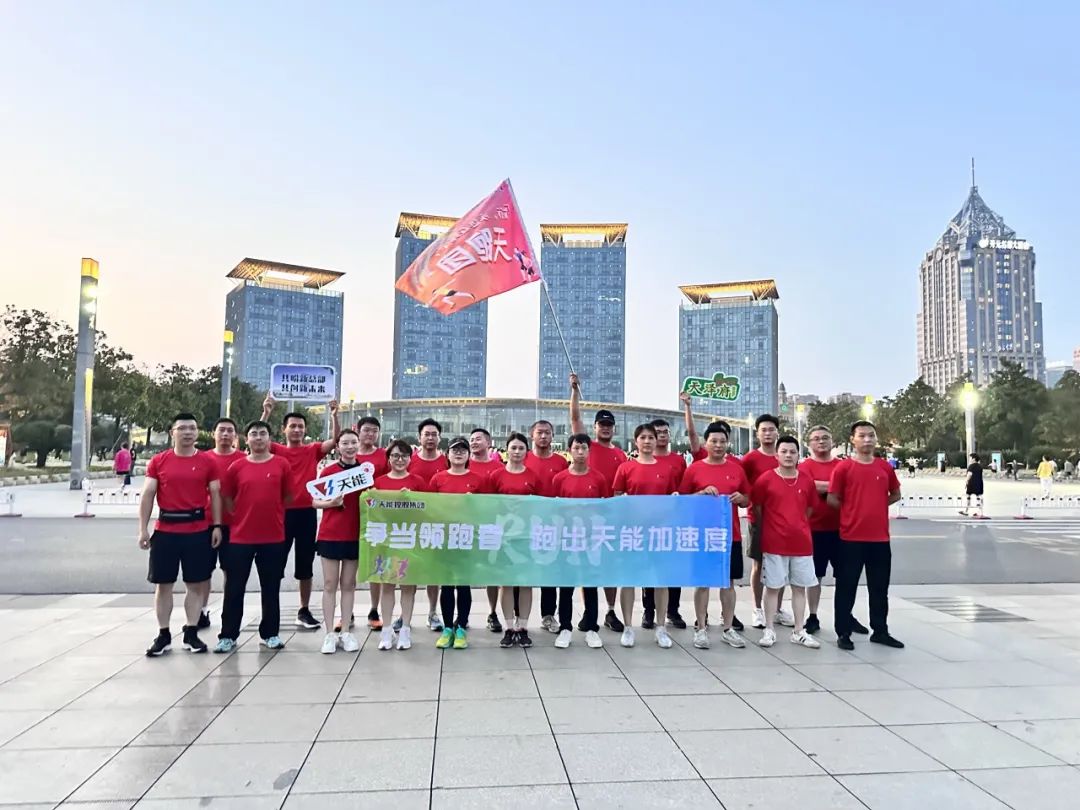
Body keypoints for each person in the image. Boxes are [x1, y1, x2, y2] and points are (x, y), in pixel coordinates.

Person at [138, 413, 224, 656]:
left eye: (192, 428)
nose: (188, 432)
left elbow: (215, 494)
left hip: (197, 530)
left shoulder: (207, 461)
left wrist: (217, 525)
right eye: (182, 428)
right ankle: (163, 634)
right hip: (166, 531)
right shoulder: (159, 461)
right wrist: (143, 528)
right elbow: (148, 494)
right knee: (163, 585)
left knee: (195, 584)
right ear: (172, 432)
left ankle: (191, 632)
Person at [260, 394, 340, 631]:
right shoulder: (275, 449)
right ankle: (270, 610)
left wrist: (334, 416)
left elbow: (335, 441)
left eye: (300, 426)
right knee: (276, 563)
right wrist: (266, 413)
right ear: (284, 429)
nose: (297, 430)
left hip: (307, 513)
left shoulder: (312, 450)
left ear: (305, 430)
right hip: (280, 515)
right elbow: (258, 438)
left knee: (305, 566)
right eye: (292, 426)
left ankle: (303, 610)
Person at [215, 420, 293, 653]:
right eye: (254, 434)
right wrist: (242, 515)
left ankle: (270, 633)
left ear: (270, 438)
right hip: (241, 536)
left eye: (263, 433)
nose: (258, 438)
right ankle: (228, 635)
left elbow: (287, 497)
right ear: (246, 439)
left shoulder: (282, 464)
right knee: (234, 588)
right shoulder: (236, 467)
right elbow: (227, 498)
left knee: (271, 587)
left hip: (273, 536)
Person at [828, 420, 904, 651]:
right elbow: (832, 499)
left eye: (871, 435)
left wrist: (876, 505)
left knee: (879, 588)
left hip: (880, 539)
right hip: (850, 538)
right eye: (862, 436)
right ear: (853, 439)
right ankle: (843, 632)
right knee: (846, 587)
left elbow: (895, 494)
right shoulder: (844, 468)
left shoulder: (884, 467)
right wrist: (852, 511)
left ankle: (880, 631)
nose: (867, 440)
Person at [679, 421, 749, 649]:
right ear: (705, 443)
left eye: (722, 441)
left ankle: (728, 628)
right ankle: (700, 628)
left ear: (728, 443)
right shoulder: (694, 469)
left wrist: (741, 498)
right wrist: (701, 493)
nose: (718, 445)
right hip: (703, 535)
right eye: (714, 441)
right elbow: (683, 501)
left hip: (730, 536)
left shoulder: (736, 469)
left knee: (728, 583)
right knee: (703, 583)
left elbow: (747, 499)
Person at [569, 373, 627, 634]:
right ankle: (588, 612)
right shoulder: (587, 447)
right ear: (594, 428)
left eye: (609, 425)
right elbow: (575, 419)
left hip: (610, 518)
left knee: (610, 567)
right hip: (584, 519)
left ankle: (611, 611)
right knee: (587, 568)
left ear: (614, 428)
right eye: (601, 424)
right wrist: (574, 391)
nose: (605, 428)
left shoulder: (621, 455)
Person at [613, 423, 680, 648]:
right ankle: (628, 627)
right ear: (636, 442)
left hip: (659, 532)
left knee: (661, 580)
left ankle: (661, 627)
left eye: (651, 437)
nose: (648, 441)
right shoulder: (626, 468)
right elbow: (617, 498)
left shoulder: (667, 469)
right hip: (633, 532)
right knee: (629, 580)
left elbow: (672, 499)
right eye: (643, 437)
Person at [751, 436, 820, 649]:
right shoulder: (765, 480)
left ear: (799, 455)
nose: (788, 455)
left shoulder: (806, 480)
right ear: (776, 454)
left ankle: (799, 631)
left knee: (799, 588)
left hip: (802, 544)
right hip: (774, 544)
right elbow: (758, 509)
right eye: (784, 451)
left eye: (792, 452)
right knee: (772, 587)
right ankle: (769, 629)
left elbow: (809, 509)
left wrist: (796, 525)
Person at [800, 425, 868, 636]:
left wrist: (823, 486)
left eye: (825, 438)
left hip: (844, 530)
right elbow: (807, 487)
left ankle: (846, 615)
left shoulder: (844, 465)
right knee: (815, 576)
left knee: (846, 576)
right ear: (809, 444)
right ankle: (812, 616)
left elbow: (851, 488)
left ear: (832, 441)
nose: (821, 442)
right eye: (816, 438)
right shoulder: (804, 467)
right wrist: (834, 486)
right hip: (814, 529)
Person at [429, 436, 489, 649]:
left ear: (468, 455)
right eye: (455, 450)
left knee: (463, 584)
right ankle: (447, 628)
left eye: (463, 450)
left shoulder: (477, 480)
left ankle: (461, 627)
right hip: (445, 539)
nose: (459, 453)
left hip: (466, 538)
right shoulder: (438, 479)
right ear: (447, 454)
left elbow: (485, 509)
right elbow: (430, 507)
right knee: (446, 584)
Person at [550, 433, 607, 649]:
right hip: (567, 540)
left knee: (590, 585)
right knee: (566, 586)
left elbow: (605, 509)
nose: (580, 452)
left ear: (589, 451)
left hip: (591, 540)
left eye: (584, 448)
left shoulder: (599, 478)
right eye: (576, 448)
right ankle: (565, 627)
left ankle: (592, 628)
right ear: (569, 451)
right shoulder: (560, 479)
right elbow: (554, 510)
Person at [489, 432, 546, 648]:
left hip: (526, 536)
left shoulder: (533, 476)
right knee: (506, 582)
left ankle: (522, 627)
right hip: (504, 537)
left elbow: (541, 506)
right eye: (513, 447)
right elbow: (489, 505)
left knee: (525, 582)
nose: (517, 451)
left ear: (526, 452)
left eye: (521, 448)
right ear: (506, 450)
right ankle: (509, 627)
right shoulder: (496, 476)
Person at [312, 429, 365, 654]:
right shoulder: (329, 471)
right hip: (330, 534)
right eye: (345, 443)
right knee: (329, 584)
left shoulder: (365, 472)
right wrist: (331, 504)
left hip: (355, 534)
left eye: (353, 442)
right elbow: (314, 501)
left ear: (358, 444)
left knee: (349, 584)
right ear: (338, 447)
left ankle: (345, 631)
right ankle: (329, 634)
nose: (350, 447)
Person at [372, 439, 427, 651]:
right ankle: (386, 630)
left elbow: (427, 510)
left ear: (410, 459)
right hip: (387, 541)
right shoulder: (379, 482)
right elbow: (372, 509)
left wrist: (411, 499)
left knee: (408, 587)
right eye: (395, 455)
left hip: (409, 540)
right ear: (388, 459)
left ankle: (405, 629)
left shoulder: (417, 482)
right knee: (387, 585)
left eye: (404, 456)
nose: (400, 460)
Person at [742, 414, 795, 631]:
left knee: (780, 565)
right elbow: (743, 486)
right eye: (763, 430)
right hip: (758, 519)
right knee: (759, 564)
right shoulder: (750, 459)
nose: (767, 433)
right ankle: (757, 609)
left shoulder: (784, 455)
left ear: (777, 432)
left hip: (782, 521)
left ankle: (777, 609)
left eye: (771, 429)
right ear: (757, 434)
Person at [525, 420, 570, 635]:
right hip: (526, 524)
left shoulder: (561, 462)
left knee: (551, 570)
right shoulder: (523, 458)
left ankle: (548, 615)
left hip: (555, 524)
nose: (543, 436)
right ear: (531, 435)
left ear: (553, 436)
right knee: (522, 571)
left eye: (547, 433)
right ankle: (517, 617)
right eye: (539, 433)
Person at [643, 417, 688, 631]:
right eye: (657, 432)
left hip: (673, 523)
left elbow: (683, 490)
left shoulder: (678, 461)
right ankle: (648, 611)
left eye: (664, 432)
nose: (661, 436)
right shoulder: (643, 461)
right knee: (649, 570)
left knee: (673, 569)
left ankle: (673, 610)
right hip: (646, 525)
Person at [408, 418, 450, 632]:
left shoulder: (447, 461)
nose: (431, 438)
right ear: (420, 437)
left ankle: (433, 613)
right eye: (427, 434)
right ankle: (405, 615)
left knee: (434, 572)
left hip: (438, 523)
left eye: (434, 434)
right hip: (412, 523)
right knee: (410, 570)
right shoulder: (410, 460)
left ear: (439, 438)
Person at [200, 417, 242, 629]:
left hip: (235, 525)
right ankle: (201, 611)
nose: (225, 434)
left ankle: (229, 613)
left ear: (235, 435)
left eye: (230, 431)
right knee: (202, 571)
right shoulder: (203, 459)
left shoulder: (243, 459)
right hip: (205, 523)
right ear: (213, 433)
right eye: (221, 430)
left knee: (231, 572)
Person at [468, 427, 505, 633]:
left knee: (493, 572)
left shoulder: (498, 467)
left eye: (478, 439)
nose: (474, 442)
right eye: (472, 439)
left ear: (488, 443)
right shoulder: (463, 464)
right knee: (463, 572)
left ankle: (492, 612)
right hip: (467, 526)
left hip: (492, 525)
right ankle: (461, 615)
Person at [355, 416, 389, 634]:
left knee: (377, 563)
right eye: (366, 430)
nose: (370, 434)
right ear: (358, 431)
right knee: (349, 567)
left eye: (374, 431)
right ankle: (346, 611)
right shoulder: (350, 453)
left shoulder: (383, 455)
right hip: (350, 514)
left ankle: (374, 610)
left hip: (376, 517)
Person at [960, 453, 985, 517]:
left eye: (970, 458)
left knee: (968, 497)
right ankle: (980, 512)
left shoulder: (971, 466)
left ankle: (966, 511)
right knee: (979, 498)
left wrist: (966, 482)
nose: (970, 459)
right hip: (979, 484)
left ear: (974, 459)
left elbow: (969, 474)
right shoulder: (980, 466)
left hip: (971, 484)